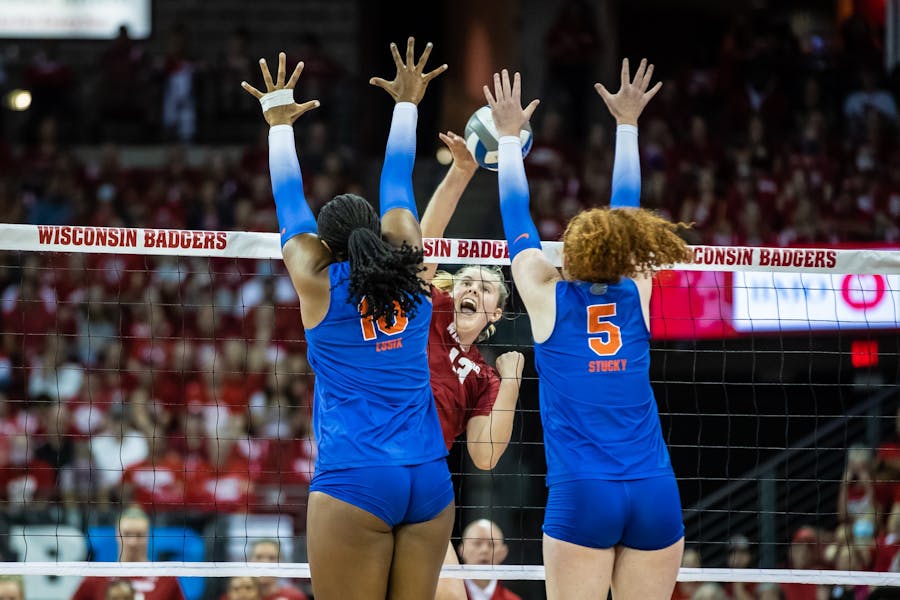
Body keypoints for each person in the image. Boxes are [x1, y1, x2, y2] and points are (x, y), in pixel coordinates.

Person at [240, 38, 454, 599]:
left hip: (357, 475)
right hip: (429, 476)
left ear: (325, 247)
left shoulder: (317, 282)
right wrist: (407, 103)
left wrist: (278, 122)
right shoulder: (410, 266)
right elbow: (398, 183)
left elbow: (289, 202)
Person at [488, 58, 692, 599]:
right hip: (653, 489)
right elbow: (627, 211)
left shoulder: (545, 295)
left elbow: (517, 215)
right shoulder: (636, 288)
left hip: (584, 493)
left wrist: (509, 139)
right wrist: (628, 123)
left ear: (571, 255)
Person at [418, 128, 524, 600]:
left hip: (427, 477)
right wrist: (461, 173)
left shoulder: (484, 377)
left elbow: (484, 456)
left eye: (484, 289)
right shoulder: (431, 309)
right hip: (378, 457)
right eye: (466, 281)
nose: (470, 290)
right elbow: (424, 244)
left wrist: (513, 380)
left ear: (495, 314)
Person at [70, 507, 185, 599]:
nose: (133, 542)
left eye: (139, 535)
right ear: (117, 534)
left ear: (148, 535)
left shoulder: (166, 579)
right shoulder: (97, 577)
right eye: (127, 534)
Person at [457, 519, 521, 600]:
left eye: (492, 544)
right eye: (477, 543)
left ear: (503, 552)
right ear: (462, 550)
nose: (484, 550)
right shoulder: (444, 595)